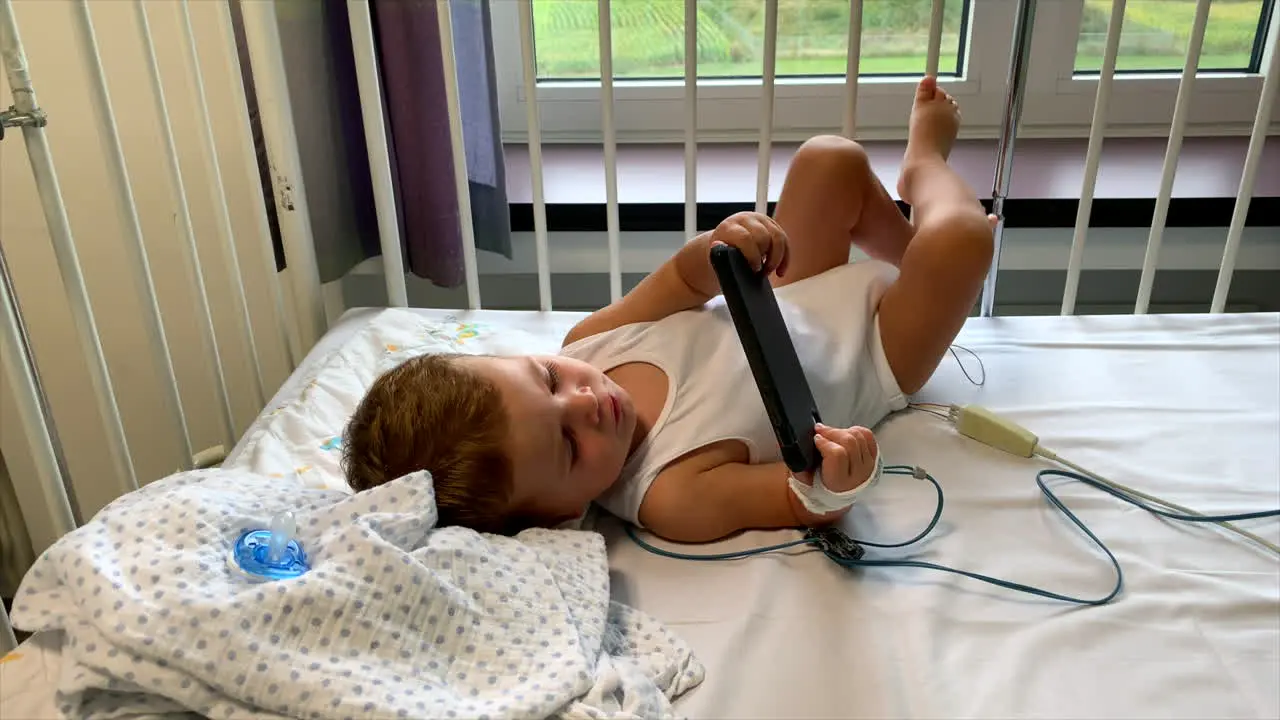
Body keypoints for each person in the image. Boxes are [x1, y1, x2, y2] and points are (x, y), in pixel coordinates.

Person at [343, 76, 995, 542]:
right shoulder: (670, 494)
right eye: (569, 444)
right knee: (962, 240)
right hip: (876, 353)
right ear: (562, 516)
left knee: (829, 160)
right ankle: (926, 170)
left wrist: (723, 245)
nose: (584, 402)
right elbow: (798, 499)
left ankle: (925, 261)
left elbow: (683, 282)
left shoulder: (588, 343)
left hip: (793, 295)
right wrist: (836, 480)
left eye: (546, 380)